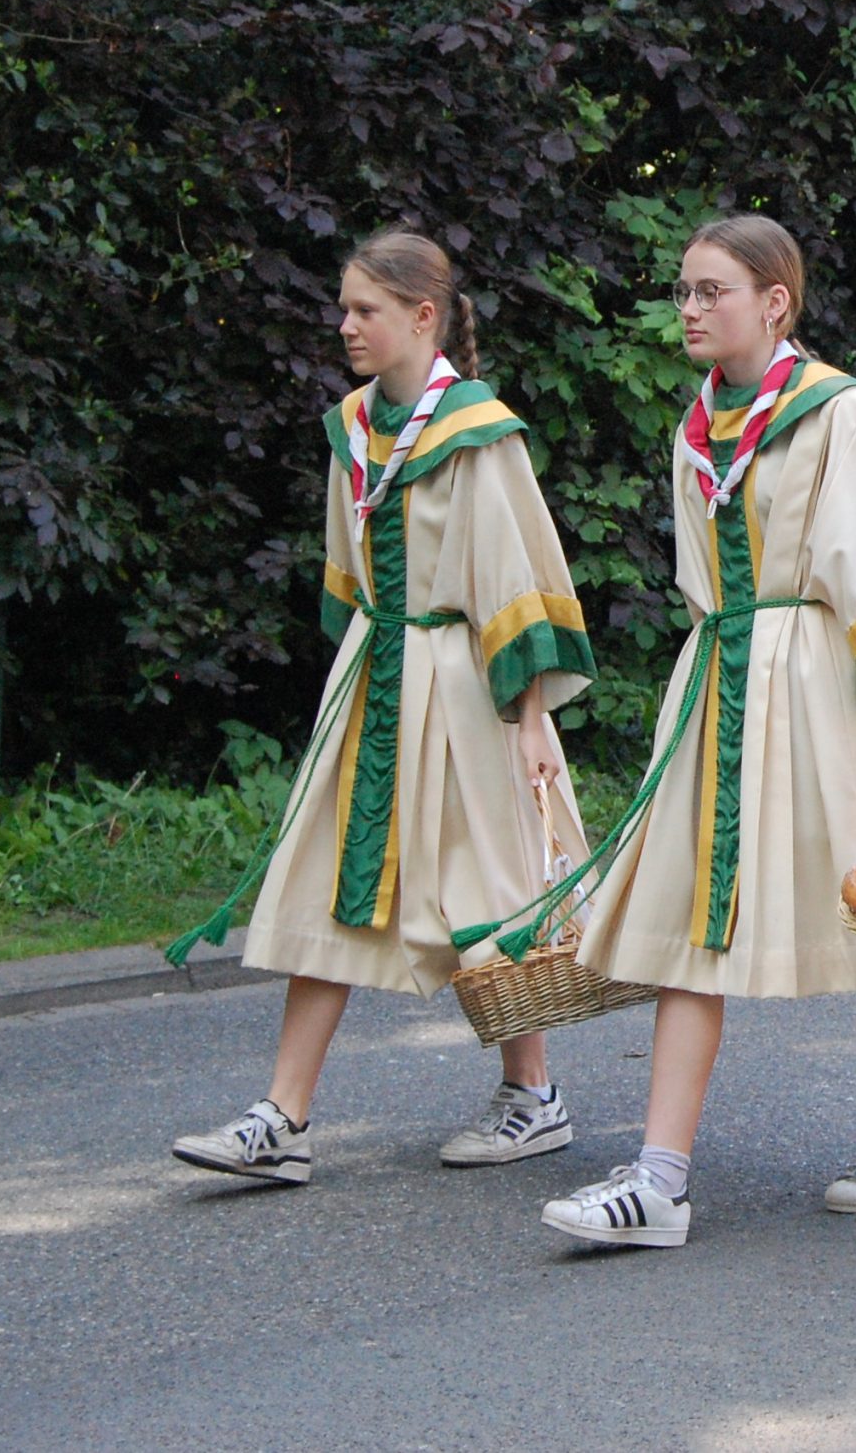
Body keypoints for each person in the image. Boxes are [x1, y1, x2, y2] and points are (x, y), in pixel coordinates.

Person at [538, 214, 856, 1249]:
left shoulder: (833, 414)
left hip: (820, 683)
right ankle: (659, 1177)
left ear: (774, 302)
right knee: (692, 920)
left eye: (711, 291)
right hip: (721, 677)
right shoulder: (699, 422)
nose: (688, 309)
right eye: (683, 291)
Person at [170, 229, 598, 1185]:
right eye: (343, 307)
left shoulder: (479, 433)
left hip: (465, 688)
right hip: (376, 680)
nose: (346, 326)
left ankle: (532, 1097)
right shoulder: (353, 428)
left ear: (423, 316)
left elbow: (517, 579)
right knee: (332, 878)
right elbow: (346, 572)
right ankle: (283, 1116)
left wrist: (530, 717)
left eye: (365, 310)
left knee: (491, 893)